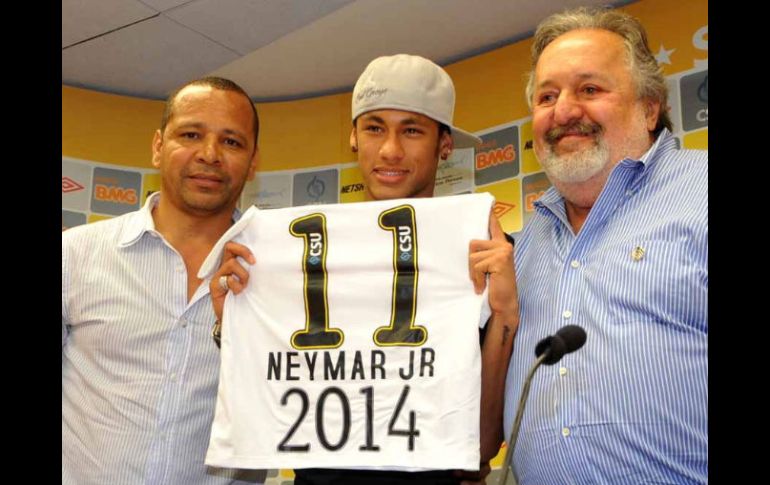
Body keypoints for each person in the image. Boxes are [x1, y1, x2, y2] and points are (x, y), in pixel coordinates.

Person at [211, 54, 519, 485]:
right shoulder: (297, 254)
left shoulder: (484, 253)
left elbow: (481, 450)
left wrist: (504, 314)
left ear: (444, 144)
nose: (390, 149)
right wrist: (238, 323)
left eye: (412, 129)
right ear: (353, 137)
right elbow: (266, 412)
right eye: (374, 127)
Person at [502, 7, 707, 484]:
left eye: (590, 90)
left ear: (649, 108)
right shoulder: (521, 248)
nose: (564, 111)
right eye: (547, 96)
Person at [62, 77, 266, 485]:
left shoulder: (280, 273)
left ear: (253, 160)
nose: (209, 155)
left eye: (231, 142)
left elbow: (291, 410)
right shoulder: (74, 255)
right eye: (191, 134)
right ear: (158, 147)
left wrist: (238, 334)